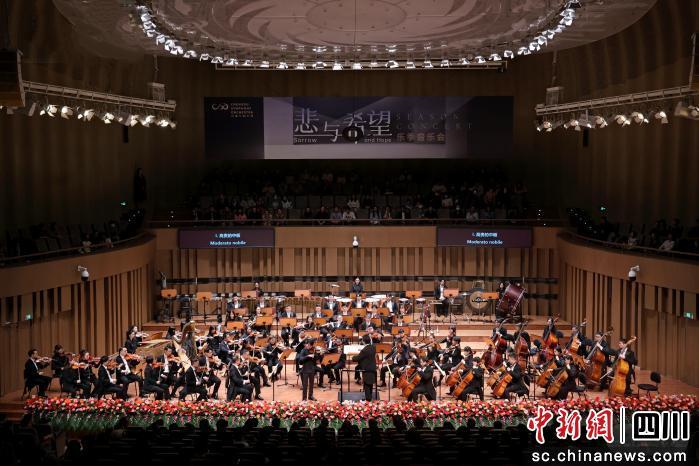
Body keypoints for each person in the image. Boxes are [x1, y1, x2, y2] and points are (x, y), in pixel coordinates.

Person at [351, 334, 377, 401]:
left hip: (367, 369)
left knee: (367, 385)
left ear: (363, 341)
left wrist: (352, 357)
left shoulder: (364, 350)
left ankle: (368, 400)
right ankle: (370, 398)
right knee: (370, 384)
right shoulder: (373, 347)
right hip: (373, 368)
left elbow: (357, 358)